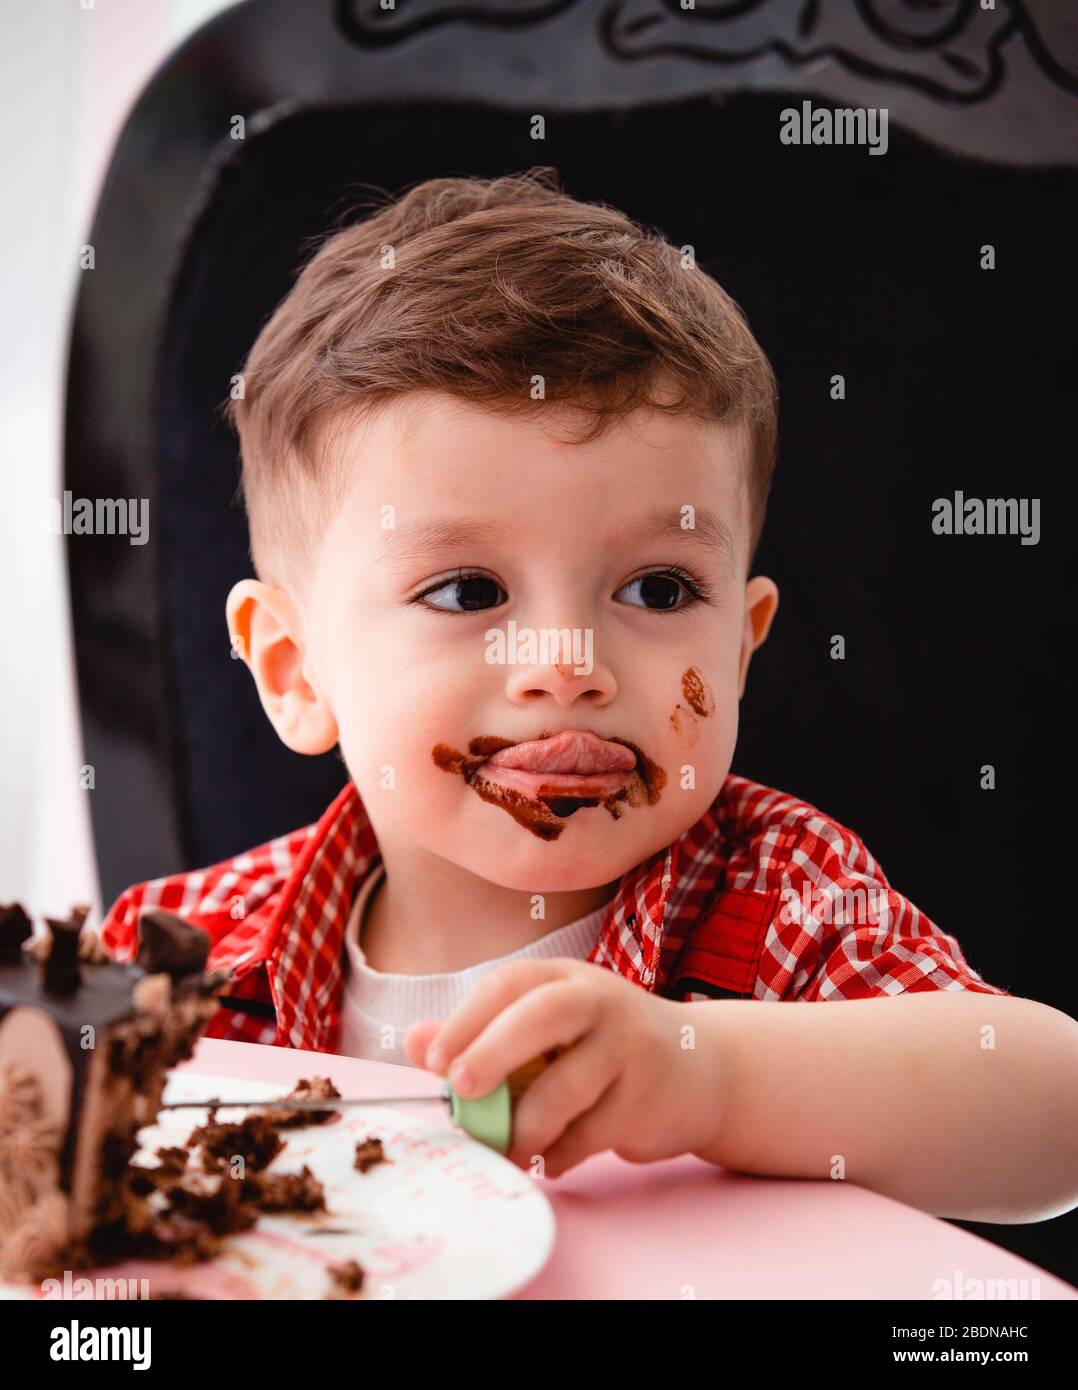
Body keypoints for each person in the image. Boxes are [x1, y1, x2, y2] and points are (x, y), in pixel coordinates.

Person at [102, 168, 1078, 1220]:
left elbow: (1051, 1117)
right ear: (295, 671)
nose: (568, 660)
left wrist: (708, 1076)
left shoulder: (778, 902)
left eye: (657, 588)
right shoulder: (185, 955)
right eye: (467, 590)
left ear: (740, 648)